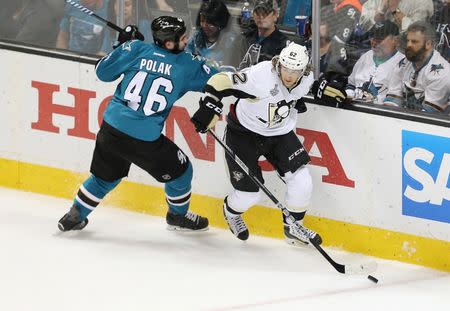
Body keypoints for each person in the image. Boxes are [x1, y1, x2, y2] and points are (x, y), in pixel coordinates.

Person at [58, 16, 219, 232]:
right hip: (144, 139)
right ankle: (177, 216)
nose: (186, 40)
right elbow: (219, 81)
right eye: (182, 38)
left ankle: (75, 214)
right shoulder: (187, 64)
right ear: (169, 43)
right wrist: (213, 101)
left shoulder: (135, 48)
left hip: (111, 128)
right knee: (182, 172)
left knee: (105, 178)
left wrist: (122, 45)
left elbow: (101, 72)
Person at [190, 42, 347, 245]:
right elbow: (221, 80)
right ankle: (231, 212)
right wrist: (209, 106)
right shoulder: (260, 76)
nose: (289, 75)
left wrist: (320, 89)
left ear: (304, 70)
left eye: (296, 70)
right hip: (243, 133)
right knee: (249, 195)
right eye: (285, 68)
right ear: (278, 64)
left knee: (302, 181)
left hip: (279, 133)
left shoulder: (306, 78)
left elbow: (302, 90)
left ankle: (293, 227)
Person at [384, 21, 450, 113]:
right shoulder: (403, 64)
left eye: (414, 41)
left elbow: (428, 115)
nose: (409, 45)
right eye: (408, 41)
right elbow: (392, 100)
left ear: (428, 44)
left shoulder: (442, 72)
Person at [346, 20, 404, 104]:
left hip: (380, 114)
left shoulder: (402, 63)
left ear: (395, 40)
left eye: (379, 39)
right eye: (372, 37)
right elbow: (351, 85)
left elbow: (393, 103)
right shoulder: (366, 56)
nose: (374, 43)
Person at [186, 0, 247, 71]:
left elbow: (232, 69)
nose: (204, 26)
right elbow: (186, 55)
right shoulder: (196, 36)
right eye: (202, 21)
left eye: (210, 23)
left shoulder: (232, 42)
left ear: (221, 22)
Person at [238, 0, 290, 70]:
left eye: (266, 13)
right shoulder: (245, 37)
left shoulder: (283, 44)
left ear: (275, 15)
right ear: (253, 15)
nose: (261, 17)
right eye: (258, 12)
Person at [359, 0, 434, 33]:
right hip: (372, 46)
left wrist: (394, 10)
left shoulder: (423, 2)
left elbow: (416, 32)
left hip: (404, 53)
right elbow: (363, 25)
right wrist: (382, 10)